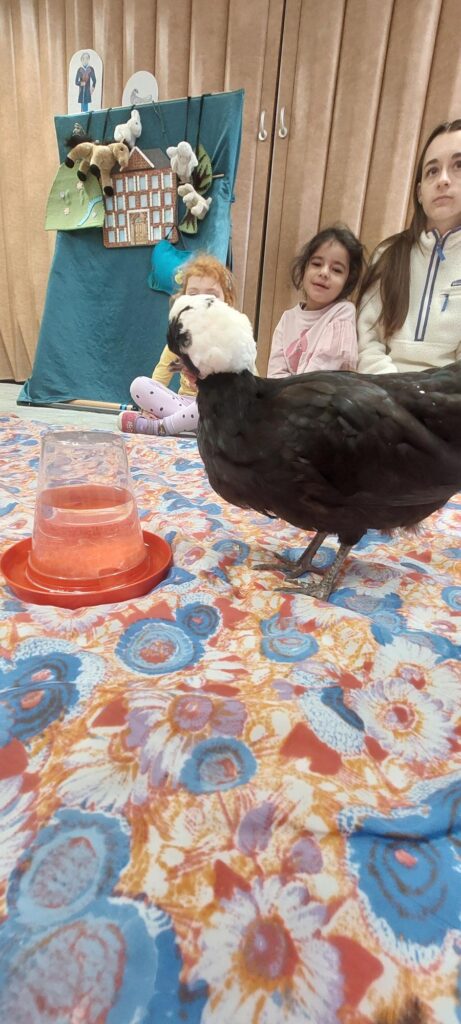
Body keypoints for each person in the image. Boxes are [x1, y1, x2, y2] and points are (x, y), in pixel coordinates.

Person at [357, 118, 461, 374]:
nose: (443, 180)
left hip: (449, 393)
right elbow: (367, 344)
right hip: (383, 388)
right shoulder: (388, 255)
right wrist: (392, 393)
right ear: (419, 192)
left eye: (458, 166)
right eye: (432, 171)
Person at [118, 253, 238, 436]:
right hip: (186, 405)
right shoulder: (179, 338)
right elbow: (161, 373)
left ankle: (162, 426)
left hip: (218, 408)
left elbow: (249, 385)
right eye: (193, 294)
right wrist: (148, 409)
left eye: (211, 295)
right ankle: (194, 425)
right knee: (139, 385)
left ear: (226, 301)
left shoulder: (233, 337)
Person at [267, 225, 365, 378]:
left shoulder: (343, 312)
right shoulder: (287, 319)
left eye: (336, 270)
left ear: (348, 281)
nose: (324, 273)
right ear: (304, 268)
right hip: (290, 393)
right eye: (317, 264)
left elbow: (323, 373)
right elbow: (275, 374)